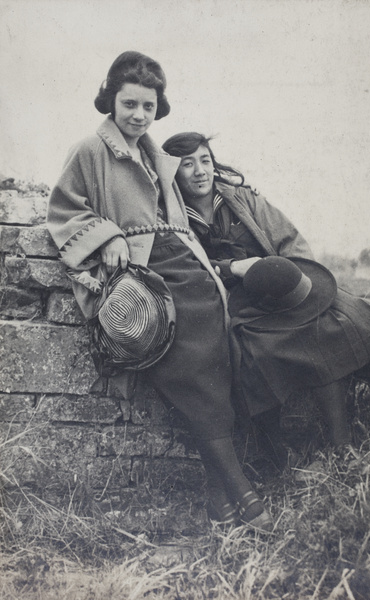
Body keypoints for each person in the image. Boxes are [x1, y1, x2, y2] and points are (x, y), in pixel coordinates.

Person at [47, 52, 273, 532]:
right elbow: (64, 211)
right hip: (143, 280)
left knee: (222, 348)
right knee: (190, 365)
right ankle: (240, 492)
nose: (138, 116)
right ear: (111, 101)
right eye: (129, 104)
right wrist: (107, 234)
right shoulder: (90, 150)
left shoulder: (156, 154)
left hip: (188, 271)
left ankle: (218, 494)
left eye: (148, 107)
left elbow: (176, 224)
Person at [162, 132, 370, 461]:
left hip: (276, 293)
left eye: (205, 160)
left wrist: (296, 281)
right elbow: (183, 266)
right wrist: (232, 267)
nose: (200, 171)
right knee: (250, 354)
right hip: (231, 305)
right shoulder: (173, 218)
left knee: (330, 327)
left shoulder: (243, 199)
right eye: (188, 164)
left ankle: (343, 450)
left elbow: (289, 240)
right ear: (172, 172)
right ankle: (276, 454)